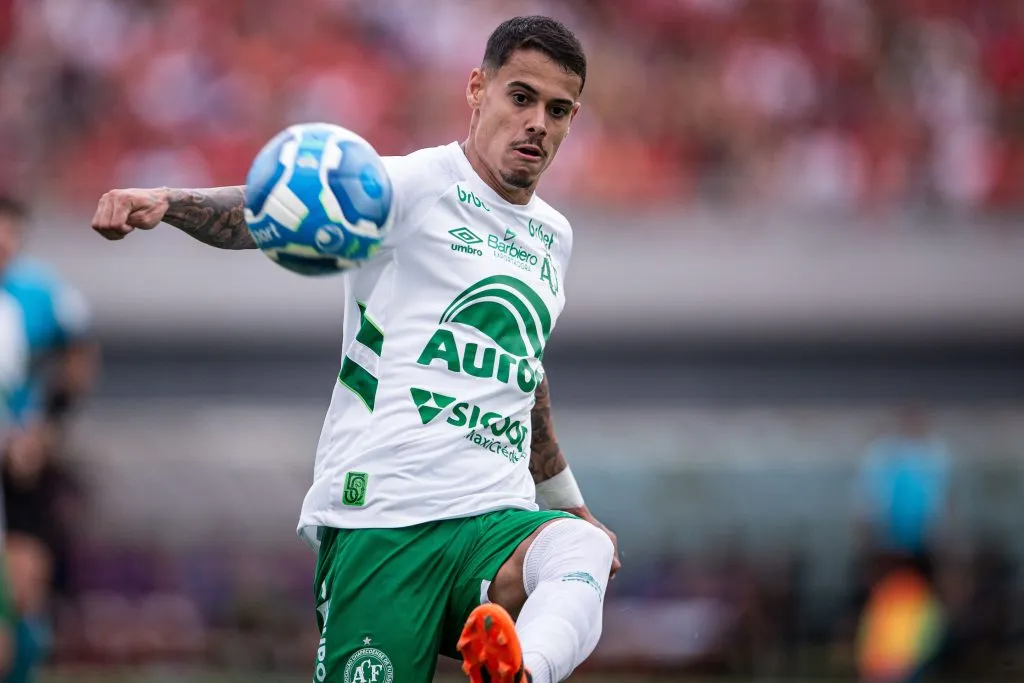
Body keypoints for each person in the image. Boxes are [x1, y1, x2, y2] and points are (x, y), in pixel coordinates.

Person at [91, 15, 620, 683]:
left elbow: (524, 372)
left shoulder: (553, 237)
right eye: (521, 97)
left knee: (580, 546)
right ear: (477, 89)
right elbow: (271, 209)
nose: (538, 122)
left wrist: (565, 499)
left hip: (493, 517)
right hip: (386, 517)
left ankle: (521, 673)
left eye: (558, 109)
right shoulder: (413, 184)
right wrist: (168, 200)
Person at [0, 194, 97, 683]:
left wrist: (44, 429)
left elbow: (79, 356)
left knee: (23, 588)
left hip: (20, 462)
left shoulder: (41, 292)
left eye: (10, 230)